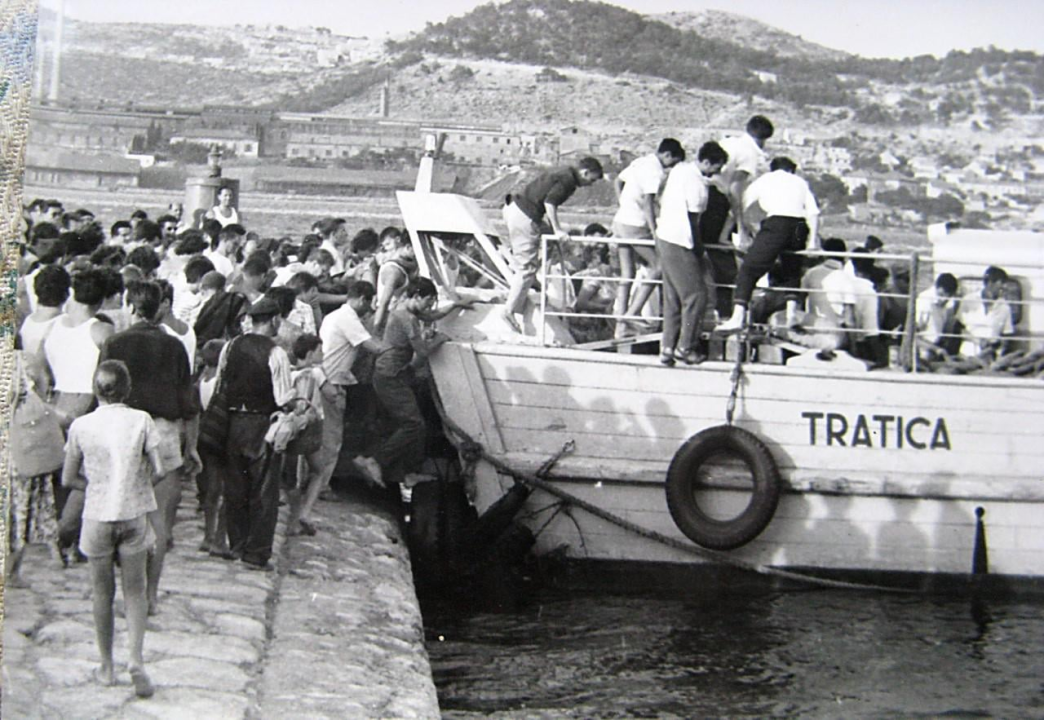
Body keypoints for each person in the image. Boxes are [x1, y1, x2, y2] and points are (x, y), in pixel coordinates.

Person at [62, 360, 164, 698]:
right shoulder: (141, 421)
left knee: (101, 593)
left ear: (96, 390)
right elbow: (160, 470)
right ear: (128, 389)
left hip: (97, 515)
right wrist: (136, 485)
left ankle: (106, 666)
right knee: (135, 590)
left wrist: (95, 485)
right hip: (133, 513)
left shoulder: (81, 425)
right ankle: (135, 658)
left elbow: (68, 478)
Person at [100, 281, 200, 615]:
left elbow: (99, 393)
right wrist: (192, 448)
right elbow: (189, 403)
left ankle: (122, 593)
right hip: (162, 431)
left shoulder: (114, 342)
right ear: (159, 308)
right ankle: (150, 595)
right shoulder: (174, 348)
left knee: (117, 512)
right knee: (159, 520)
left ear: (130, 306)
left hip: (119, 427)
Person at [216, 297, 294, 570]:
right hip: (262, 424)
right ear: (274, 319)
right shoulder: (276, 353)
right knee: (263, 490)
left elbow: (221, 383)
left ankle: (236, 543)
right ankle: (257, 553)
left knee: (235, 485)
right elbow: (284, 397)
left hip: (233, 421)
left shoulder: (231, 346)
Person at [300, 282, 386, 523]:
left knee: (320, 434)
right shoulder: (348, 318)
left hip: (326, 378)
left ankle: (312, 480)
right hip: (332, 382)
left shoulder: (335, 315)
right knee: (332, 438)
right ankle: (322, 485)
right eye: (368, 303)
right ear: (361, 299)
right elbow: (373, 347)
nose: (369, 308)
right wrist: (397, 346)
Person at [715, 157, 819, 333]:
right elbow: (813, 212)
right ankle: (791, 316)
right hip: (800, 228)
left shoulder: (766, 179)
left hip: (777, 223)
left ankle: (738, 317)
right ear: (792, 170)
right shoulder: (800, 182)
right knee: (791, 271)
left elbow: (740, 205)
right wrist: (812, 241)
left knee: (749, 270)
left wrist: (731, 231)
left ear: (773, 168)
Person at [501, 156, 604, 333]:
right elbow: (550, 203)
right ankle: (509, 310)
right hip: (525, 215)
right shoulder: (568, 180)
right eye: (591, 180)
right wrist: (558, 229)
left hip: (516, 208)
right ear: (585, 172)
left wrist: (551, 231)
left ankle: (533, 276)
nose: (590, 184)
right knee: (526, 268)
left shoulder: (562, 171)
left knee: (548, 243)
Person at [372, 278, 452, 488]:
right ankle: (374, 461)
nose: (429, 306)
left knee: (413, 423)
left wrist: (457, 305)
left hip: (395, 374)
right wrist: (440, 339)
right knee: (414, 424)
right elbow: (423, 352)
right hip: (389, 377)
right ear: (416, 297)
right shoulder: (406, 317)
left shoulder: (404, 309)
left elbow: (431, 315)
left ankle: (406, 473)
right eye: (427, 301)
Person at [656, 141, 728, 365]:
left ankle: (667, 347)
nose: (716, 173)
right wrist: (699, 252)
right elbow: (693, 221)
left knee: (673, 298)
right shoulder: (697, 184)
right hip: (680, 241)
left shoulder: (680, 170)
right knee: (696, 296)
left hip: (664, 236)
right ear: (706, 162)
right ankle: (685, 347)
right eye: (716, 168)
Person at [701, 115, 774, 320]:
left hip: (706, 196)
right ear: (763, 139)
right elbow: (736, 189)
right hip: (717, 201)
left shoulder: (731, 141)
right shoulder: (750, 153)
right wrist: (741, 225)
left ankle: (717, 309)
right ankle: (726, 313)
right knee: (724, 264)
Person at [611, 139, 685, 334]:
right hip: (635, 225)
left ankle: (621, 325)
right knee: (658, 266)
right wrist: (655, 232)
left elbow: (617, 181)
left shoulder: (640, 162)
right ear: (667, 155)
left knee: (627, 273)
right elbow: (648, 204)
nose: (671, 168)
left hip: (620, 221)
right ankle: (632, 313)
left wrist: (623, 204)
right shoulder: (655, 171)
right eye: (672, 163)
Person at [792, 238, 856, 351]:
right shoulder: (846, 279)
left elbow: (799, 300)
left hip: (812, 325)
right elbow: (849, 316)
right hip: (834, 330)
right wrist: (854, 346)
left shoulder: (811, 273)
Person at [956, 265, 1014, 359]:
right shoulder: (968, 300)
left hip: (991, 357)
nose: (1002, 292)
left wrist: (999, 354)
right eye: (1000, 288)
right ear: (990, 283)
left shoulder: (1005, 307)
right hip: (967, 354)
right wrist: (977, 340)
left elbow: (1007, 335)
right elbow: (959, 328)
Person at [915, 273, 960, 361]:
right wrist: (936, 349)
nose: (944, 299)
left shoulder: (947, 305)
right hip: (922, 354)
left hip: (937, 351)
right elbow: (914, 337)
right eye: (941, 295)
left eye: (948, 297)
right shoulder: (924, 302)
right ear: (936, 288)